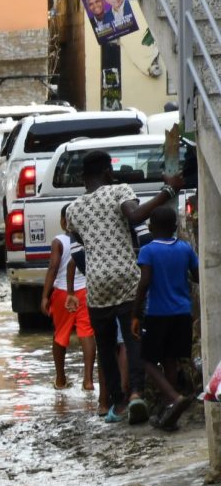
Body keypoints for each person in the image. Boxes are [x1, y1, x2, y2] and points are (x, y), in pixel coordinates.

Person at [63, 148, 154, 419]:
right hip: (126, 277)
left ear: (84, 177)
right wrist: (167, 192)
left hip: (96, 284)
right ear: (107, 172)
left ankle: (118, 403)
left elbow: (79, 243)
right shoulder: (119, 191)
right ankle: (136, 393)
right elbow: (134, 216)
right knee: (133, 337)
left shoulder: (73, 209)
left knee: (105, 347)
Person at [135, 199, 200, 426]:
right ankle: (169, 410)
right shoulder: (185, 248)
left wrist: (135, 314)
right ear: (174, 227)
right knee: (169, 359)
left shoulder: (148, 250)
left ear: (151, 227)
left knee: (147, 361)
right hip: (182, 313)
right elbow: (198, 276)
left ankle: (173, 397)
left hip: (157, 314)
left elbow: (144, 282)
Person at [44, 212, 98, 392]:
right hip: (86, 291)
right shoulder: (89, 240)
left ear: (63, 222)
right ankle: (88, 381)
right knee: (87, 333)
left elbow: (53, 268)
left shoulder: (58, 241)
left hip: (63, 293)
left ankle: (60, 379)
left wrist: (44, 296)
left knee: (60, 334)